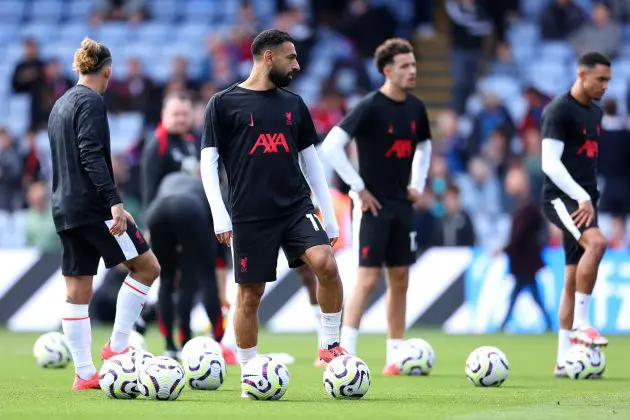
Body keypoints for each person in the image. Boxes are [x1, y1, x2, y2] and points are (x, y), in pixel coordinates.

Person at [199, 29, 347, 388]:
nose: (297, 64)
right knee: (250, 296)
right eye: (291, 57)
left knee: (326, 264)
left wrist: (327, 216)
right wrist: (220, 215)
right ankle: (250, 371)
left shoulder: (294, 104)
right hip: (249, 215)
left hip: (296, 208)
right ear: (268, 58)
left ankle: (330, 346)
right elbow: (208, 163)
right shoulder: (223, 103)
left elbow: (312, 164)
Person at [48, 38, 160, 390]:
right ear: (107, 72)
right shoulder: (91, 101)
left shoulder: (60, 104)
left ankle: (84, 374)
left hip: (63, 207)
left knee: (78, 289)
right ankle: (118, 346)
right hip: (94, 206)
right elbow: (91, 153)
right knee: (147, 267)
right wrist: (114, 201)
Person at [321, 38, 432, 375]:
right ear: (387, 70)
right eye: (405, 66)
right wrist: (358, 187)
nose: (412, 71)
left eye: (413, 65)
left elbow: (425, 146)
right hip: (371, 207)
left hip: (402, 205)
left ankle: (395, 358)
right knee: (367, 279)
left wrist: (419, 184)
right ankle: (345, 353)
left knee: (400, 278)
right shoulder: (369, 106)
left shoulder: (416, 108)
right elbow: (331, 146)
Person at [540, 51, 611, 378]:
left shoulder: (595, 114)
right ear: (582, 75)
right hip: (562, 200)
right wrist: (581, 196)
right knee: (597, 244)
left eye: (608, 80)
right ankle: (582, 324)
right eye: (601, 79)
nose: (606, 86)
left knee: (571, 278)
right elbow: (549, 163)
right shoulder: (558, 111)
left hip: (584, 202)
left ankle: (561, 359)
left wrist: (589, 197)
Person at [145, 172, 225, 359]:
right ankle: (217, 342)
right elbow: (219, 252)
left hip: (157, 210)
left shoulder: (171, 178)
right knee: (204, 278)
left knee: (166, 280)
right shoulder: (209, 189)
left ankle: (170, 346)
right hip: (190, 210)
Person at [498, 165, 553, 331]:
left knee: (520, 294)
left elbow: (519, 236)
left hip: (525, 261)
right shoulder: (524, 206)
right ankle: (548, 324)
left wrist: (503, 248)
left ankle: (503, 324)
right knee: (530, 294)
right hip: (524, 262)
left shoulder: (527, 208)